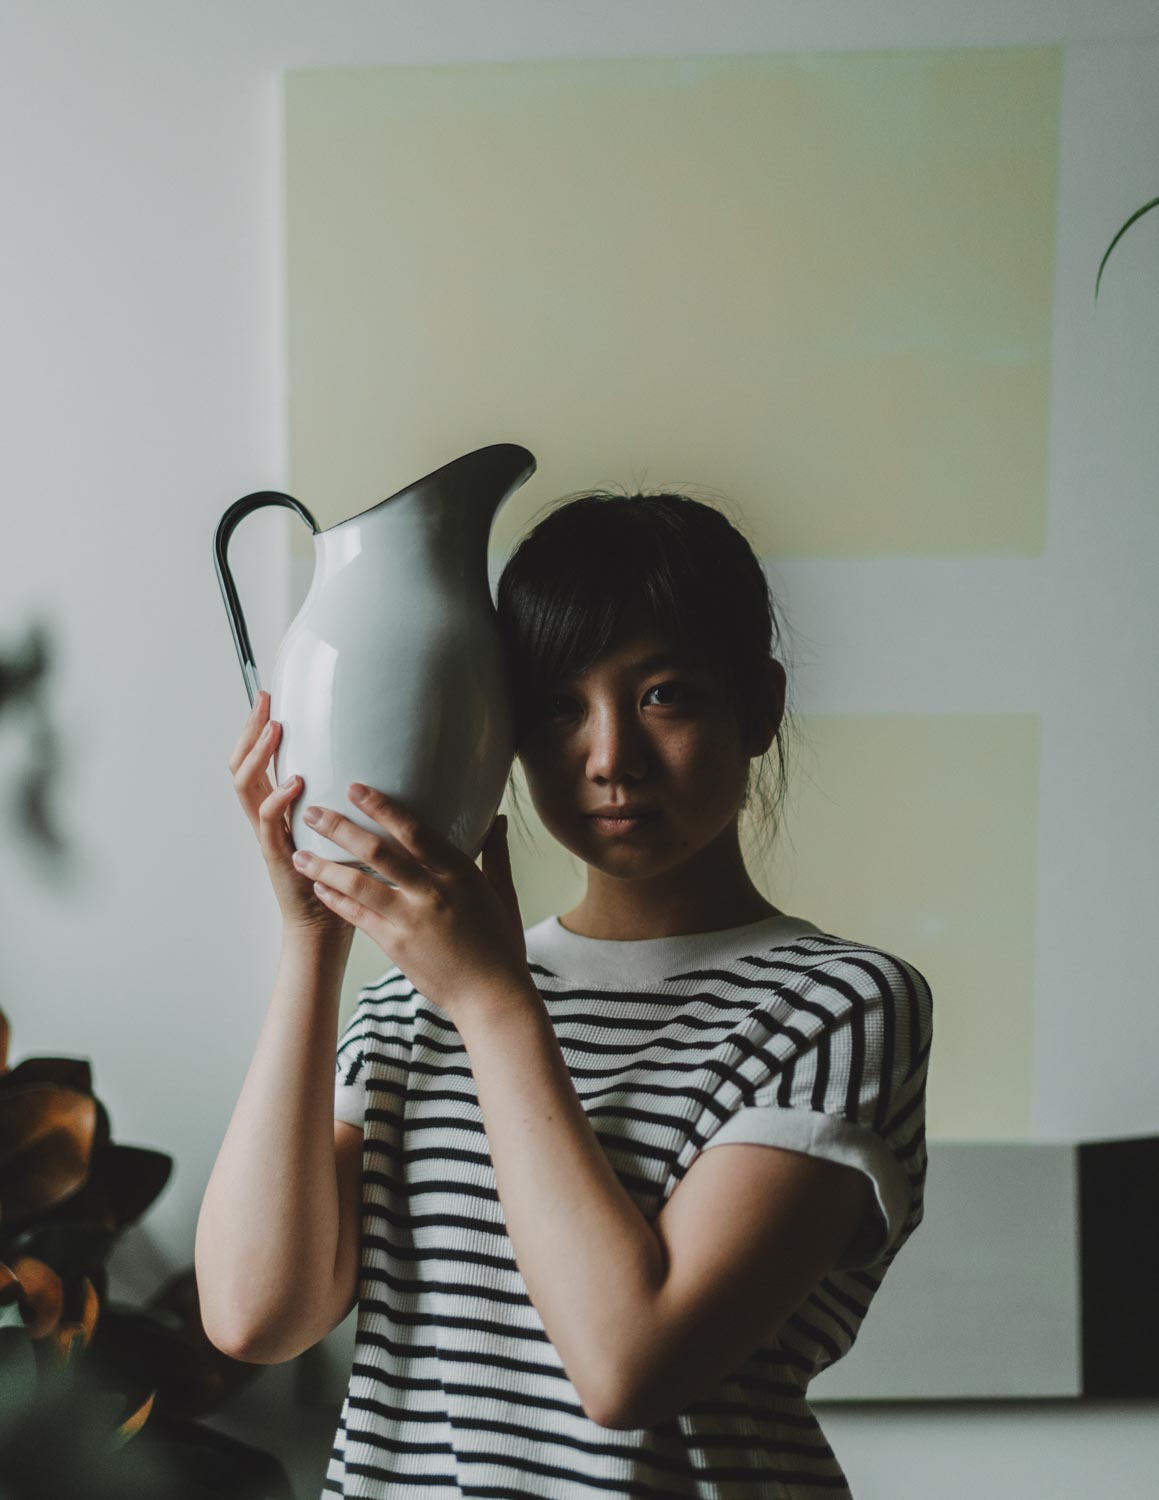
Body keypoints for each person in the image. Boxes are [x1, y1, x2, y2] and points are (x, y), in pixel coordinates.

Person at [196, 488, 933, 1499]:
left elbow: (628, 1364)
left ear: (758, 706)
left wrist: (496, 1005)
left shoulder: (837, 1006)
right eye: (557, 706)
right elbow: (253, 1316)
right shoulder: (410, 1009)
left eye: (663, 695)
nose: (609, 759)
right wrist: (311, 937)